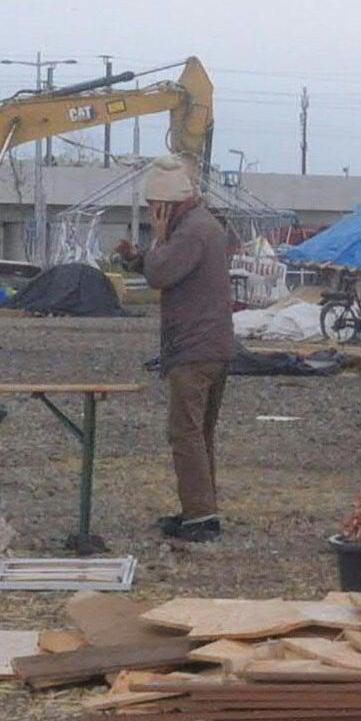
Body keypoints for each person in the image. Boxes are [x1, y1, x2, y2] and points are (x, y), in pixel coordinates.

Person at [136, 158, 236, 543]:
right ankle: (202, 509)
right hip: (212, 345)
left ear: (165, 205)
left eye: (152, 207)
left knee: (185, 432)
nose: (150, 214)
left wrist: (158, 239)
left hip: (193, 349)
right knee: (200, 433)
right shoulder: (203, 226)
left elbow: (160, 273)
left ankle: (200, 516)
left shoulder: (190, 231)